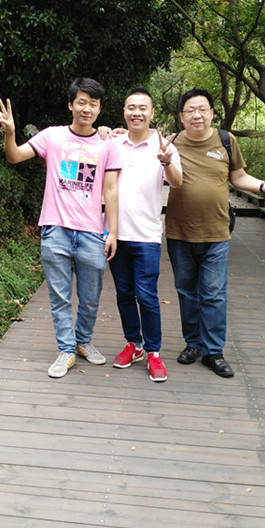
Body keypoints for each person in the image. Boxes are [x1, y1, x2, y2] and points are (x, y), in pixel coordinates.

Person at [0, 78, 121, 379]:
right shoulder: (52, 136)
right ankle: (66, 349)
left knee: (90, 297)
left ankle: (83, 341)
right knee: (60, 297)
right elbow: (14, 156)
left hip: (92, 232)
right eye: (82, 102)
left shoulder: (108, 145)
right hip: (55, 229)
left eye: (93, 104)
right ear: (70, 105)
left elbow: (111, 191)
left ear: (100, 109)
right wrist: (10, 133)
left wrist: (113, 232)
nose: (87, 108)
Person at [165, 87, 265, 378]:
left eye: (202, 109)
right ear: (181, 116)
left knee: (214, 295)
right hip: (179, 232)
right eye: (190, 110)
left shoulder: (226, 140)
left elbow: (238, 177)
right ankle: (193, 344)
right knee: (186, 292)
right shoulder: (171, 143)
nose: (196, 115)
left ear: (211, 112)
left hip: (217, 232)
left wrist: (263, 186)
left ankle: (213, 351)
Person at [103, 87, 182, 382]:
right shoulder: (113, 143)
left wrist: (166, 160)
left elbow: (177, 182)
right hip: (115, 233)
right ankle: (133, 344)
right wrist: (102, 131)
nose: (136, 113)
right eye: (131, 107)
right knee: (124, 293)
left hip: (147, 235)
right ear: (124, 111)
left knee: (147, 296)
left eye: (142, 108)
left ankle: (154, 352)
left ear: (152, 112)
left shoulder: (164, 145)